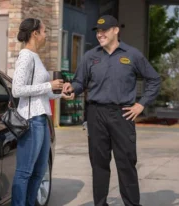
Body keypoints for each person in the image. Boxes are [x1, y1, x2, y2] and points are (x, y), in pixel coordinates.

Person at [63, 15, 161, 206]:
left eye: (104, 31)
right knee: (99, 164)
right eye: (98, 32)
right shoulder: (90, 56)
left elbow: (154, 79)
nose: (100, 35)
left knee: (126, 163)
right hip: (95, 114)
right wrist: (71, 89)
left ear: (116, 30)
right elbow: (79, 82)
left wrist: (141, 104)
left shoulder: (132, 55)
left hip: (122, 114)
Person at [11, 18, 72, 206]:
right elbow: (17, 90)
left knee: (39, 172)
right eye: (44, 32)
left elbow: (41, 94)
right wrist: (49, 85)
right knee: (24, 173)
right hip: (30, 121)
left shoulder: (36, 57)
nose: (46, 36)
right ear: (35, 33)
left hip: (42, 119)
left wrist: (60, 94)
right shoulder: (26, 56)